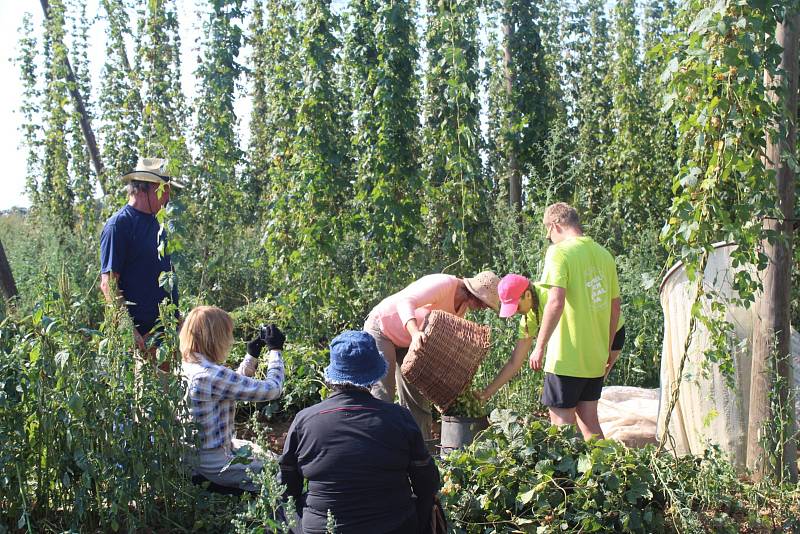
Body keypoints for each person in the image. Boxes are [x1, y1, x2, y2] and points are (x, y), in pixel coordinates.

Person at [279, 330, 440, 534]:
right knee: (428, 500)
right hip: (394, 528)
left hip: (322, 529)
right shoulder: (400, 418)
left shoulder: (305, 420)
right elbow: (427, 482)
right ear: (374, 375)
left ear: (332, 376)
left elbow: (286, 487)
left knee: (279, 509)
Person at [364, 272, 501, 439]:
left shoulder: (463, 305)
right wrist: (415, 334)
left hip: (410, 340)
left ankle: (419, 450)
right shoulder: (444, 284)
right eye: (484, 302)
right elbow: (404, 302)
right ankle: (375, 444)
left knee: (417, 398)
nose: (483, 307)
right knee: (384, 392)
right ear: (474, 292)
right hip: (383, 328)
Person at [527, 203, 621, 440]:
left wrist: (539, 346)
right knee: (590, 425)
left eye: (548, 233)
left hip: (566, 358)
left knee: (561, 428)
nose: (550, 239)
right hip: (594, 358)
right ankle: (606, 474)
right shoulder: (604, 255)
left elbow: (555, 302)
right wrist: (606, 349)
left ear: (556, 225)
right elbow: (615, 307)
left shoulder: (560, 253)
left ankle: (562, 479)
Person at [180, 305, 286, 492]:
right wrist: (275, 351)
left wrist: (251, 356)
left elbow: (225, 388)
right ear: (215, 338)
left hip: (193, 456)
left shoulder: (186, 365)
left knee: (264, 453)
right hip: (215, 461)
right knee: (282, 473)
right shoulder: (210, 374)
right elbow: (273, 389)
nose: (230, 340)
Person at [480, 273, 626, 402]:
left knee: (584, 399)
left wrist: (540, 348)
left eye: (516, 307)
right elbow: (514, 362)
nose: (515, 313)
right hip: (585, 338)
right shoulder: (530, 315)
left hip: (609, 332)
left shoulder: (552, 296)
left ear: (528, 295)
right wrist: (485, 394)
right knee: (581, 401)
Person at [100, 158, 184, 356]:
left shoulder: (160, 224)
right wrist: (129, 330)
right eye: (166, 189)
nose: (169, 196)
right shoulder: (119, 226)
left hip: (168, 332)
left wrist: (178, 317)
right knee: (149, 386)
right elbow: (108, 284)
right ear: (149, 188)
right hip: (143, 339)